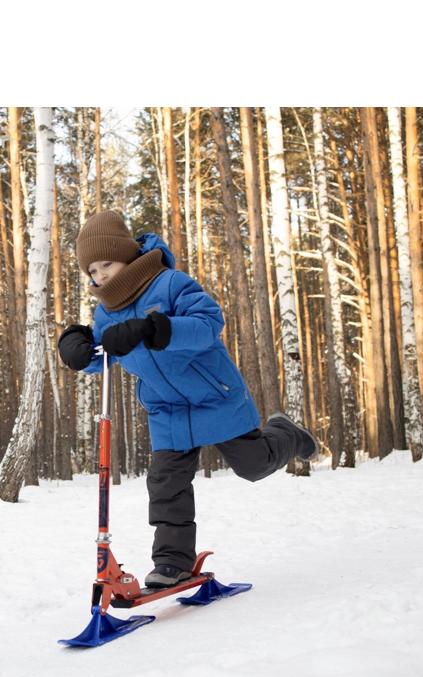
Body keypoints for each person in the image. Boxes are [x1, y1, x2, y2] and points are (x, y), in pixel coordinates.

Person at [58, 210, 318, 589]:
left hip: (215, 396)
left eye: (106, 264)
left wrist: (154, 329)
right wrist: (77, 347)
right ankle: (171, 563)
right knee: (166, 485)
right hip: (167, 410)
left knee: (254, 465)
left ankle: (285, 433)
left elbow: (208, 323)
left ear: (128, 255)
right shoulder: (105, 313)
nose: (99, 277)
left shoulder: (168, 284)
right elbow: (104, 356)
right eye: (92, 271)